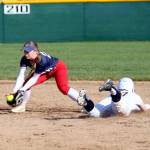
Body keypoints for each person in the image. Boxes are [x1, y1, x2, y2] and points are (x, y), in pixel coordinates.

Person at [8, 41, 86, 113]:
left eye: (28, 51)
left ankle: (85, 103)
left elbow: (34, 78)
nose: (25, 53)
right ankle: (22, 106)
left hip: (58, 67)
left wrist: (22, 90)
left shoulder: (41, 60)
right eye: (25, 51)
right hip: (46, 72)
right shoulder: (24, 59)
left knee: (63, 88)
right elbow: (21, 75)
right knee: (26, 84)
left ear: (35, 51)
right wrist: (15, 90)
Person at [80, 77, 150, 117]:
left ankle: (86, 103)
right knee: (120, 110)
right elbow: (144, 109)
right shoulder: (135, 96)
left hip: (110, 101)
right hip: (122, 107)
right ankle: (112, 89)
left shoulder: (109, 97)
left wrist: (85, 110)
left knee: (96, 113)